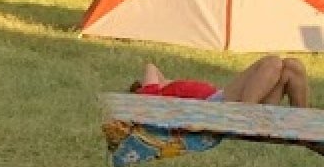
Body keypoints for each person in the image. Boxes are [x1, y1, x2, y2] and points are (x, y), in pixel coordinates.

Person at [131, 59, 310, 107]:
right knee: (272, 63)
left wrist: (166, 81)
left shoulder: (166, 90)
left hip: (233, 98)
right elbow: (150, 66)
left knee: (292, 67)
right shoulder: (150, 95)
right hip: (219, 103)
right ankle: (245, 113)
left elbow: (157, 76)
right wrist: (142, 85)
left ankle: (307, 132)